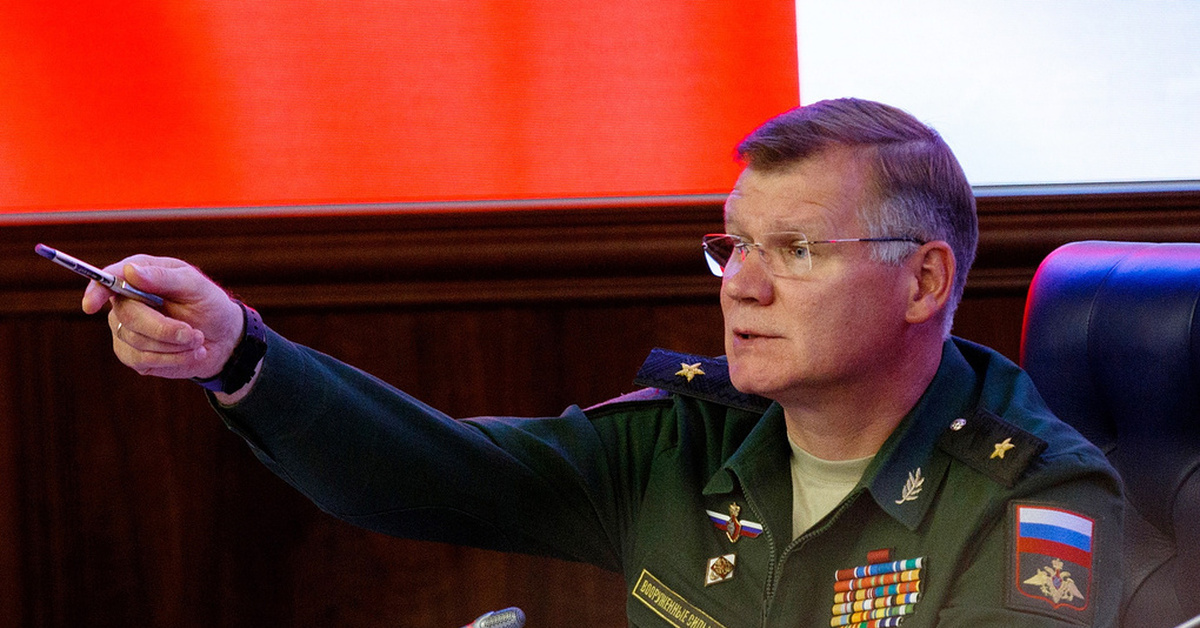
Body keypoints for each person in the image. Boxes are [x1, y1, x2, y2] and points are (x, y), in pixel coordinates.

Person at [82, 98, 1123, 626]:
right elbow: (427, 470)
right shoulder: (688, 439)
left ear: (924, 281)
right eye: (734, 246)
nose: (742, 285)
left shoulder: (1032, 498)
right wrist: (236, 351)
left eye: (797, 251)